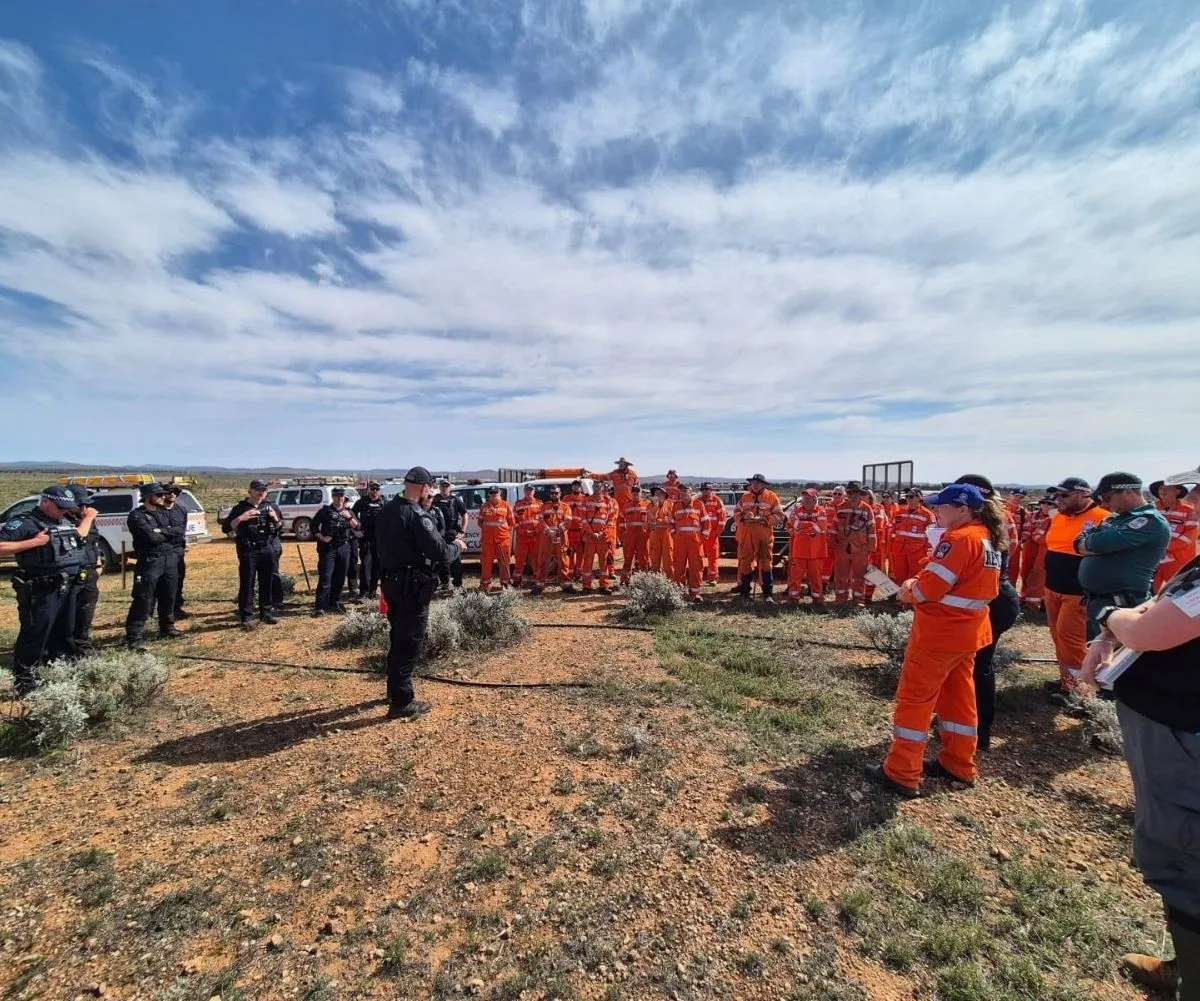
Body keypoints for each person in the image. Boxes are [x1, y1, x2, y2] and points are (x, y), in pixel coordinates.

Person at [1082, 556, 1200, 998]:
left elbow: (1154, 630)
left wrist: (1110, 614)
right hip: (1174, 730)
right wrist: (1110, 633)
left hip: (1185, 737)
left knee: (1185, 855)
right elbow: (1166, 602)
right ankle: (1185, 965)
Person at [865, 483, 1002, 797]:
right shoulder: (986, 538)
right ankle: (957, 764)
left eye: (942, 506)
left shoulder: (958, 540)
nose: (937, 510)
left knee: (915, 701)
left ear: (963, 509)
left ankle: (901, 773)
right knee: (958, 701)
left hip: (940, 635)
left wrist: (910, 587)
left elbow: (929, 589)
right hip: (968, 633)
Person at [375, 466, 467, 720]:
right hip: (411, 587)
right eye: (430, 489)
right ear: (425, 487)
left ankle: (394, 691)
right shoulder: (416, 515)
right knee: (410, 642)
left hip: (392, 582)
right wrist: (457, 546)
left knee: (398, 637)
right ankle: (402, 702)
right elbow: (439, 551)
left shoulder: (387, 510)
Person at [0, 486, 93, 694]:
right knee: (35, 634)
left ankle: (60, 673)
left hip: (67, 586)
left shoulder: (64, 519)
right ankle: (26, 682)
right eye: (60, 507)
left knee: (64, 632)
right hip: (41, 588)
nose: (64, 511)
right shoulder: (26, 522)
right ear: (46, 502)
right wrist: (35, 542)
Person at [953, 475, 1021, 751]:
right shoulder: (998, 521)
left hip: (989, 601)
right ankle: (969, 724)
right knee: (976, 664)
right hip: (998, 598)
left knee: (977, 665)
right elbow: (1010, 552)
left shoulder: (973, 530)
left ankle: (977, 731)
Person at [1075, 472, 1169, 644]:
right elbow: (1079, 541)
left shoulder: (1149, 521)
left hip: (1124, 603)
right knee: (1096, 654)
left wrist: (1093, 545)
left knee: (1116, 659)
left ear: (1127, 492)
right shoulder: (1117, 519)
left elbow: (1098, 543)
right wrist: (1092, 544)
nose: (1105, 504)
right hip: (1101, 602)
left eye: (1108, 498)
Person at [1042, 477, 1109, 700]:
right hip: (1053, 588)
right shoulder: (1059, 517)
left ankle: (1079, 692)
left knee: (1071, 640)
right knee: (1058, 636)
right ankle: (1066, 681)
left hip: (1077, 593)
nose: (1057, 500)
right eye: (1056, 495)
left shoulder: (1102, 518)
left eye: (1064, 495)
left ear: (1083, 495)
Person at [125, 482, 183, 648]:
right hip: (150, 561)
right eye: (158, 495)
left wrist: (162, 531)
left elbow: (179, 531)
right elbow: (151, 537)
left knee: (169, 595)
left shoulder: (163, 513)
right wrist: (165, 532)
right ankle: (134, 637)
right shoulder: (137, 516)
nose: (163, 497)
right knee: (144, 598)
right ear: (147, 497)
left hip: (169, 559)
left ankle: (167, 627)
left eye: (163, 495)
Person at [222, 479, 283, 627]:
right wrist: (241, 518)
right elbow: (226, 528)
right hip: (248, 550)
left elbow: (280, 526)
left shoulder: (271, 506)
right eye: (257, 489)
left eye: (263, 489)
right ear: (250, 491)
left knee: (267, 581)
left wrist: (275, 519)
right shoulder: (240, 508)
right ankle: (246, 616)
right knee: (247, 583)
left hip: (267, 548)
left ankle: (266, 613)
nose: (260, 492)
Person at [731, 473, 785, 601]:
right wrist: (744, 517)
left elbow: (780, 516)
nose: (754, 485)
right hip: (747, 534)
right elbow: (736, 513)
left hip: (764, 534)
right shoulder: (745, 497)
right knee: (745, 562)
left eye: (757, 483)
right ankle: (744, 593)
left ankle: (767, 594)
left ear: (763, 485)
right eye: (752, 483)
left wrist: (765, 519)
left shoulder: (771, 497)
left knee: (766, 563)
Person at [65, 486, 103, 656]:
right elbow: (79, 536)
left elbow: (93, 541)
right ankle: (68, 649)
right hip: (71, 574)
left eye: (86, 505)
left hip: (89, 572)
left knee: (86, 611)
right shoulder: (62, 520)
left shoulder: (87, 519)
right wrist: (88, 518)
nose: (85, 509)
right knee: (69, 614)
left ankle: (83, 645)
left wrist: (98, 561)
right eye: (81, 505)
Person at [312, 486, 358, 616]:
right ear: (333, 497)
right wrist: (322, 537)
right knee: (326, 576)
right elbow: (313, 526)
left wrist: (349, 517)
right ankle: (320, 606)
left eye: (342, 496)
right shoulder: (325, 511)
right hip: (328, 548)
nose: (339, 499)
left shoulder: (348, 512)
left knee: (340, 576)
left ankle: (335, 601)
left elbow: (358, 527)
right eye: (337, 496)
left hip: (343, 547)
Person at [831, 482, 877, 606]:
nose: (849, 495)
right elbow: (834, 527)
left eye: (852, 492)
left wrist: (871, 547)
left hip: (860, 548)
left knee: (859, 575)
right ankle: (841, 598)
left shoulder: (866, 509)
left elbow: (872, 530)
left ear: (858, 493)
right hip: (842, 547)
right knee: (841, 574)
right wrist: (832, 543)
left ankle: (858, 599)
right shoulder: (841, 507)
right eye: (848, 492)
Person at [1151, 480, 1199, 592]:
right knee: (1150, 592)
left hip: (1179, 561)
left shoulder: (1189, 511)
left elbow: (1188, 538)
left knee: (1177, 593)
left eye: (1167, 488)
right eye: (1160, 488)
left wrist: (1164, 548)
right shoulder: (1151, 510)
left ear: (1177, 491)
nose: (1163, 491)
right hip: (1153, 560)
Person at [785, 488, 828, 606]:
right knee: (795, 576)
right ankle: (793, 599)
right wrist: (810, 526)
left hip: (816, 551)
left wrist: (801, 527)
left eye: (808, 498)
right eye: (804, 498)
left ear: (815, 499)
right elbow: (793, 523)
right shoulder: (797, 510)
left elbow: (821, 527)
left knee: (816, 577)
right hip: (799, 550)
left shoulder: (821, 511)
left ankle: (817, 599)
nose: (805, 500)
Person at [671, 482, 710, 603]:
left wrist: (701, 539)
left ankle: (695, 593)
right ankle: (679, 592)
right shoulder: (676, 506)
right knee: (678, 567)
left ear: (690, 492)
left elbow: (706, 523)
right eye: (681, 492)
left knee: (696, 567)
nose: (683, 495)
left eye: (685, 492)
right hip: (680, 543)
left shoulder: (699, 505)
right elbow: (671, 522)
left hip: (695, 543)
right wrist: (674, 535)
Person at [578, 482, 617, 594]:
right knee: (588, 562)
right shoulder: (586, 501)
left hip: (603, 538)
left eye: (599, 487)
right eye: (595, 487)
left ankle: (604, 586)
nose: (597, 489)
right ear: (593, 488)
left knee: (603, 562)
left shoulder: (608, 502)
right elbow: (583, 519)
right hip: (590, 538)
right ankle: (586, 586)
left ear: (602, 488)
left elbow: (611, 520)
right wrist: (591, 533)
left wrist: (602, 533)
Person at [890, 488, 934, 585]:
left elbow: (932, 536)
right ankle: (902, 597)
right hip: (899, 550)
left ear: (919, 498)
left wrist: (928, 553)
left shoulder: (928, 515)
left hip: (917, 551)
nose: (908, 499)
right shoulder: (899, 513)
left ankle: (913, 598)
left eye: (911, 496)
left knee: (916, 576)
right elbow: (892, 531)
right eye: (907, 497)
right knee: (899, 575)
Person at [429, 479, 467, 592]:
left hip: (452, 532)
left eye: (446, 486)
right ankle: (445, 583)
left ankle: (458, 585)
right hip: (439, 533)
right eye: (443, 486)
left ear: (450, 488)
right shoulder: (435, 499)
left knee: (456, 560)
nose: (444, 488)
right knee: (442, 560)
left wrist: (463, 531)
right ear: (439, 487)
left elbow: (465, 515)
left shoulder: (456, 500)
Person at [532, 485, 570, 594]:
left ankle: (566, 584)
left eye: (556, 493)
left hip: (561, 538)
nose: (554, 495)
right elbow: (540, 521)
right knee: (543, 561)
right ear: (550, 494)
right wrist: (549, 531)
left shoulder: (565, 507)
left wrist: (558, 531)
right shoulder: (544, 507)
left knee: (563, 561)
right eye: (552, 493)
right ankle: (539, 584)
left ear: (560, 493)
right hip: (547, 538)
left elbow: (568, 521)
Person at [352, 481, 386, 600]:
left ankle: (372, 591)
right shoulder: (362, 502)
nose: (374, 492)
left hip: (380, 539)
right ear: (368, 490)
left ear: (379, 490)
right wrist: (357, 528)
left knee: (378, 566)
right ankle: (364, 593)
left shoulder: (384, 502)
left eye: (377, 489)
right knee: (366, 565)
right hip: (366, 538)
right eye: (372, 489)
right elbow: (352, 514)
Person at [478, 485, 515, 591]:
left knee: (504, 562)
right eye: (492, 493)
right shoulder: (484, 506)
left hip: (503, 540)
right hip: (488, 540)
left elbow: (511, 523)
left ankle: (505, 583)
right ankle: (485, 584)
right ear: (489, 494)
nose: (494, 495)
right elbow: (480, 521)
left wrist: (501, 531)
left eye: (496, 493)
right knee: (486, 563)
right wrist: (488, 531)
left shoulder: (506, 505)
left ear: (500, 494)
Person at [160, 484, 189, 620]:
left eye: (175, 492)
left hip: (177, 550)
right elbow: (153, 534)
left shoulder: (181, 511)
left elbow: (180, 531)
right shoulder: (157, 511)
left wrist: (164, 531)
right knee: (157, 583)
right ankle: (154, 611)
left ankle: (176, 608)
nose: (172, 494)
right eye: (169, 492)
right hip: (161, 551)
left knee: (178, 580)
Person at [1019, 496, 1053, 610]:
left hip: (1044, 551)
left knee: (1039, 576)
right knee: (1025, 573)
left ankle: (1034, 604)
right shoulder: (1032, 516)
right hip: (1029, 550)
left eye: (1050, 504)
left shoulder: (1054, 519)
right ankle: (1024, 598)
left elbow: (1038, 537)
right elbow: (1027, 532)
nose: (1046, 506)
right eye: (1044, 503)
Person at [512, 484, 543, 588]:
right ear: (524, 491)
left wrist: (535, 531)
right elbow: (514, 522)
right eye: (527, 490)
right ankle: (517, 580)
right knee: (519, 558)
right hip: (522, 536)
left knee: (536, 559)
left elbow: (543, 521)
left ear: (534, 492)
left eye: (531, 490)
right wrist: (523, 531)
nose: (529, 492)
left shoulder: (540, 504)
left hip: (536, 535)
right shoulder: (518, 504)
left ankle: (537, 580)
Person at [620, 485, 651, 586]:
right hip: (629, 536)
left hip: (643, 536)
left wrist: (649, 534)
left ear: (641, 493)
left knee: (644, 559)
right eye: (633, 492)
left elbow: (651, 520)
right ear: (631, 493)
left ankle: (644, 581)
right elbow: (620, 520)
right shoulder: (626, 505)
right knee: (628, 558)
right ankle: (625, 580)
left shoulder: (647, 504)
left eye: (637, 492)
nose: (635, 494)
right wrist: (622, 534)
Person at [562, 480, 588, 590]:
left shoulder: (585, 499)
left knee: (581, 554)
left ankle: (579, 574)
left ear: (581, 488)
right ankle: (570, 574)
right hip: (569, 531)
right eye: (574, 486)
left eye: (578, 487)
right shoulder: (566, 499)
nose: (576, 488)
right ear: (572, 488)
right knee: (569, 554)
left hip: (581, 531)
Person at [698, 483, 725, 586]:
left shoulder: (717, 501)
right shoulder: (698, 501)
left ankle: (713, 578)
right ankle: (698, 577)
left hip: (712, 534)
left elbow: (722, 519)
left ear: (711, 490)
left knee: (712, 556)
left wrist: (716, 532)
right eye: (703, 489)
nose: (705, 491)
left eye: (707, 489)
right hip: (699, 534)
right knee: (698, 556)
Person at [646, 485, 675, 577]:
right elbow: (651, 519)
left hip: (667, 534)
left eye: (659, 493)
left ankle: (670, 581)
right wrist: (656, 506)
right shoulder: (650, 506)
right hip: (655, 534)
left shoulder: (670, 505)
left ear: (664, 495)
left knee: (668, 559)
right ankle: (656, 582)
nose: (657, 495)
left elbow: (670, 520)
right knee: (654, 558)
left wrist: (658, 521)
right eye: (655, 493)